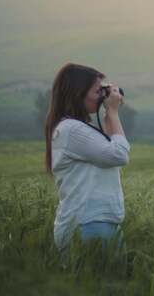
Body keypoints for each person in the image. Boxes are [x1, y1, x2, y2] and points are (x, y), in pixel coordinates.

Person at [43, 63, 130, 255]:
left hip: (95, 222)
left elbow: (110, 150)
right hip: (88, 224)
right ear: (77, 93)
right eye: (98, 91)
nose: (102, 95)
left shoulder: (75, 128)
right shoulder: (72, 130)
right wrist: (113, 112)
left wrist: (109, 113)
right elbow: (119, 155)